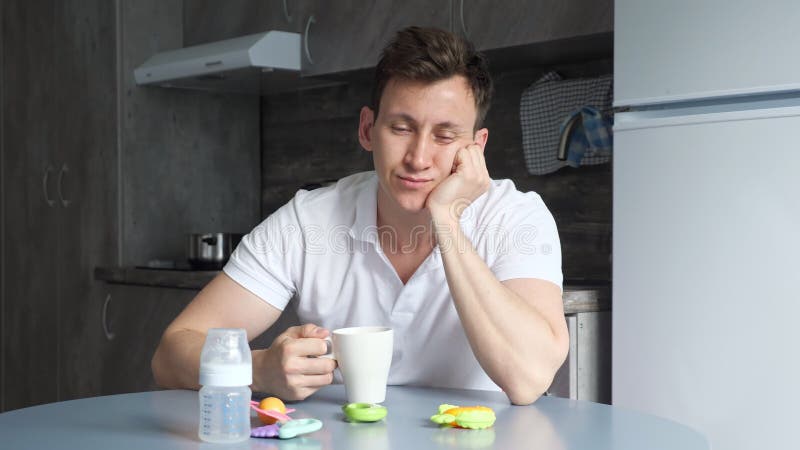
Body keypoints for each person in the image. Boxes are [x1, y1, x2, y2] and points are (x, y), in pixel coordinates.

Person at [152, 26, 568, 405]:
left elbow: (528, 379)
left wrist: (447, 221)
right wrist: (259, 369)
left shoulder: (516, 217)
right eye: (401, 128)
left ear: (476, 146)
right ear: (368, 129)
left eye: (444, 136)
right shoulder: (307, 220)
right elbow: (172, 354)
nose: (419, 158)